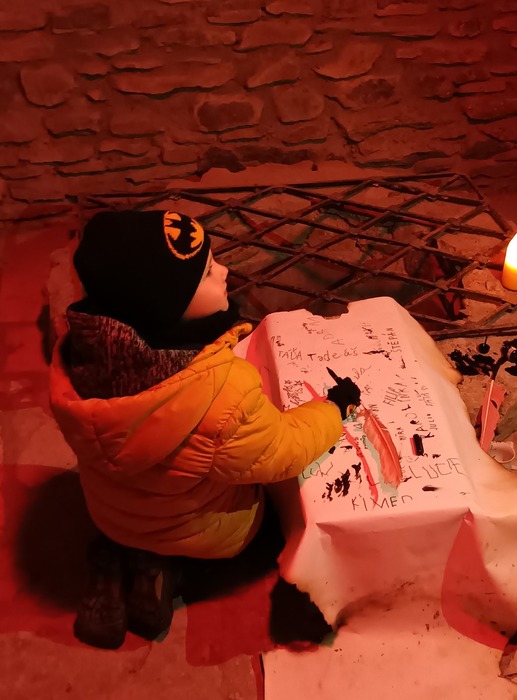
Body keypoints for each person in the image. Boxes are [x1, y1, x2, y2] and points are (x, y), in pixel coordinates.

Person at [49, 210, 361, 649]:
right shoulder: (219, 393)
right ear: (166, 308)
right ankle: (168, 570)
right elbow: (284, 449)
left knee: (139, 512)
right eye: (208, 272)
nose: (225, 271)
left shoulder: (77, 359)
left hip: (110, 513)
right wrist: (333, 408)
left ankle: (121, 555)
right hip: (200, 531)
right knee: (267, 525)